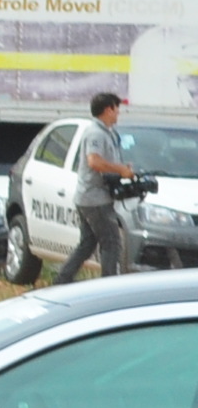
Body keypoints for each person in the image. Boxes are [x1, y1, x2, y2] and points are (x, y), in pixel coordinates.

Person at [59, 88, 136, 281]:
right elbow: (93, 161)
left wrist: (122, 170)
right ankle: (108, 286)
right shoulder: (96, 134)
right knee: (112, 243)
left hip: (91, 197)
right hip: (95, 199)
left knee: (87, 244)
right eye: (116, 109)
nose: (118, 113)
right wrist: (120, 170)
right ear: (108, 109)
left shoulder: (107, 133)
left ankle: (62, 280)